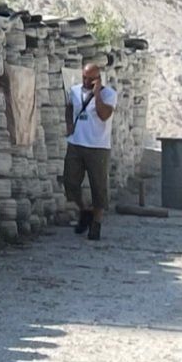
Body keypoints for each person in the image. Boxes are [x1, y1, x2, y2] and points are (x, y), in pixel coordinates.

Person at [63, 62, 116, 240]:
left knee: (98, 187)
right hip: (76, 143)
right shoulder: (75, 90)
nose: (86, 81)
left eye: (90, 79)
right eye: (84, 78)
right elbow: (69, 106)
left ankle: (96, 222)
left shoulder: (109, 94)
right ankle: (85, 210)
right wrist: (69, 124)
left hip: (98, 146)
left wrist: (97, 93)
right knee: (70, 182)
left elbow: (104, 115)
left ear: (98, 79)